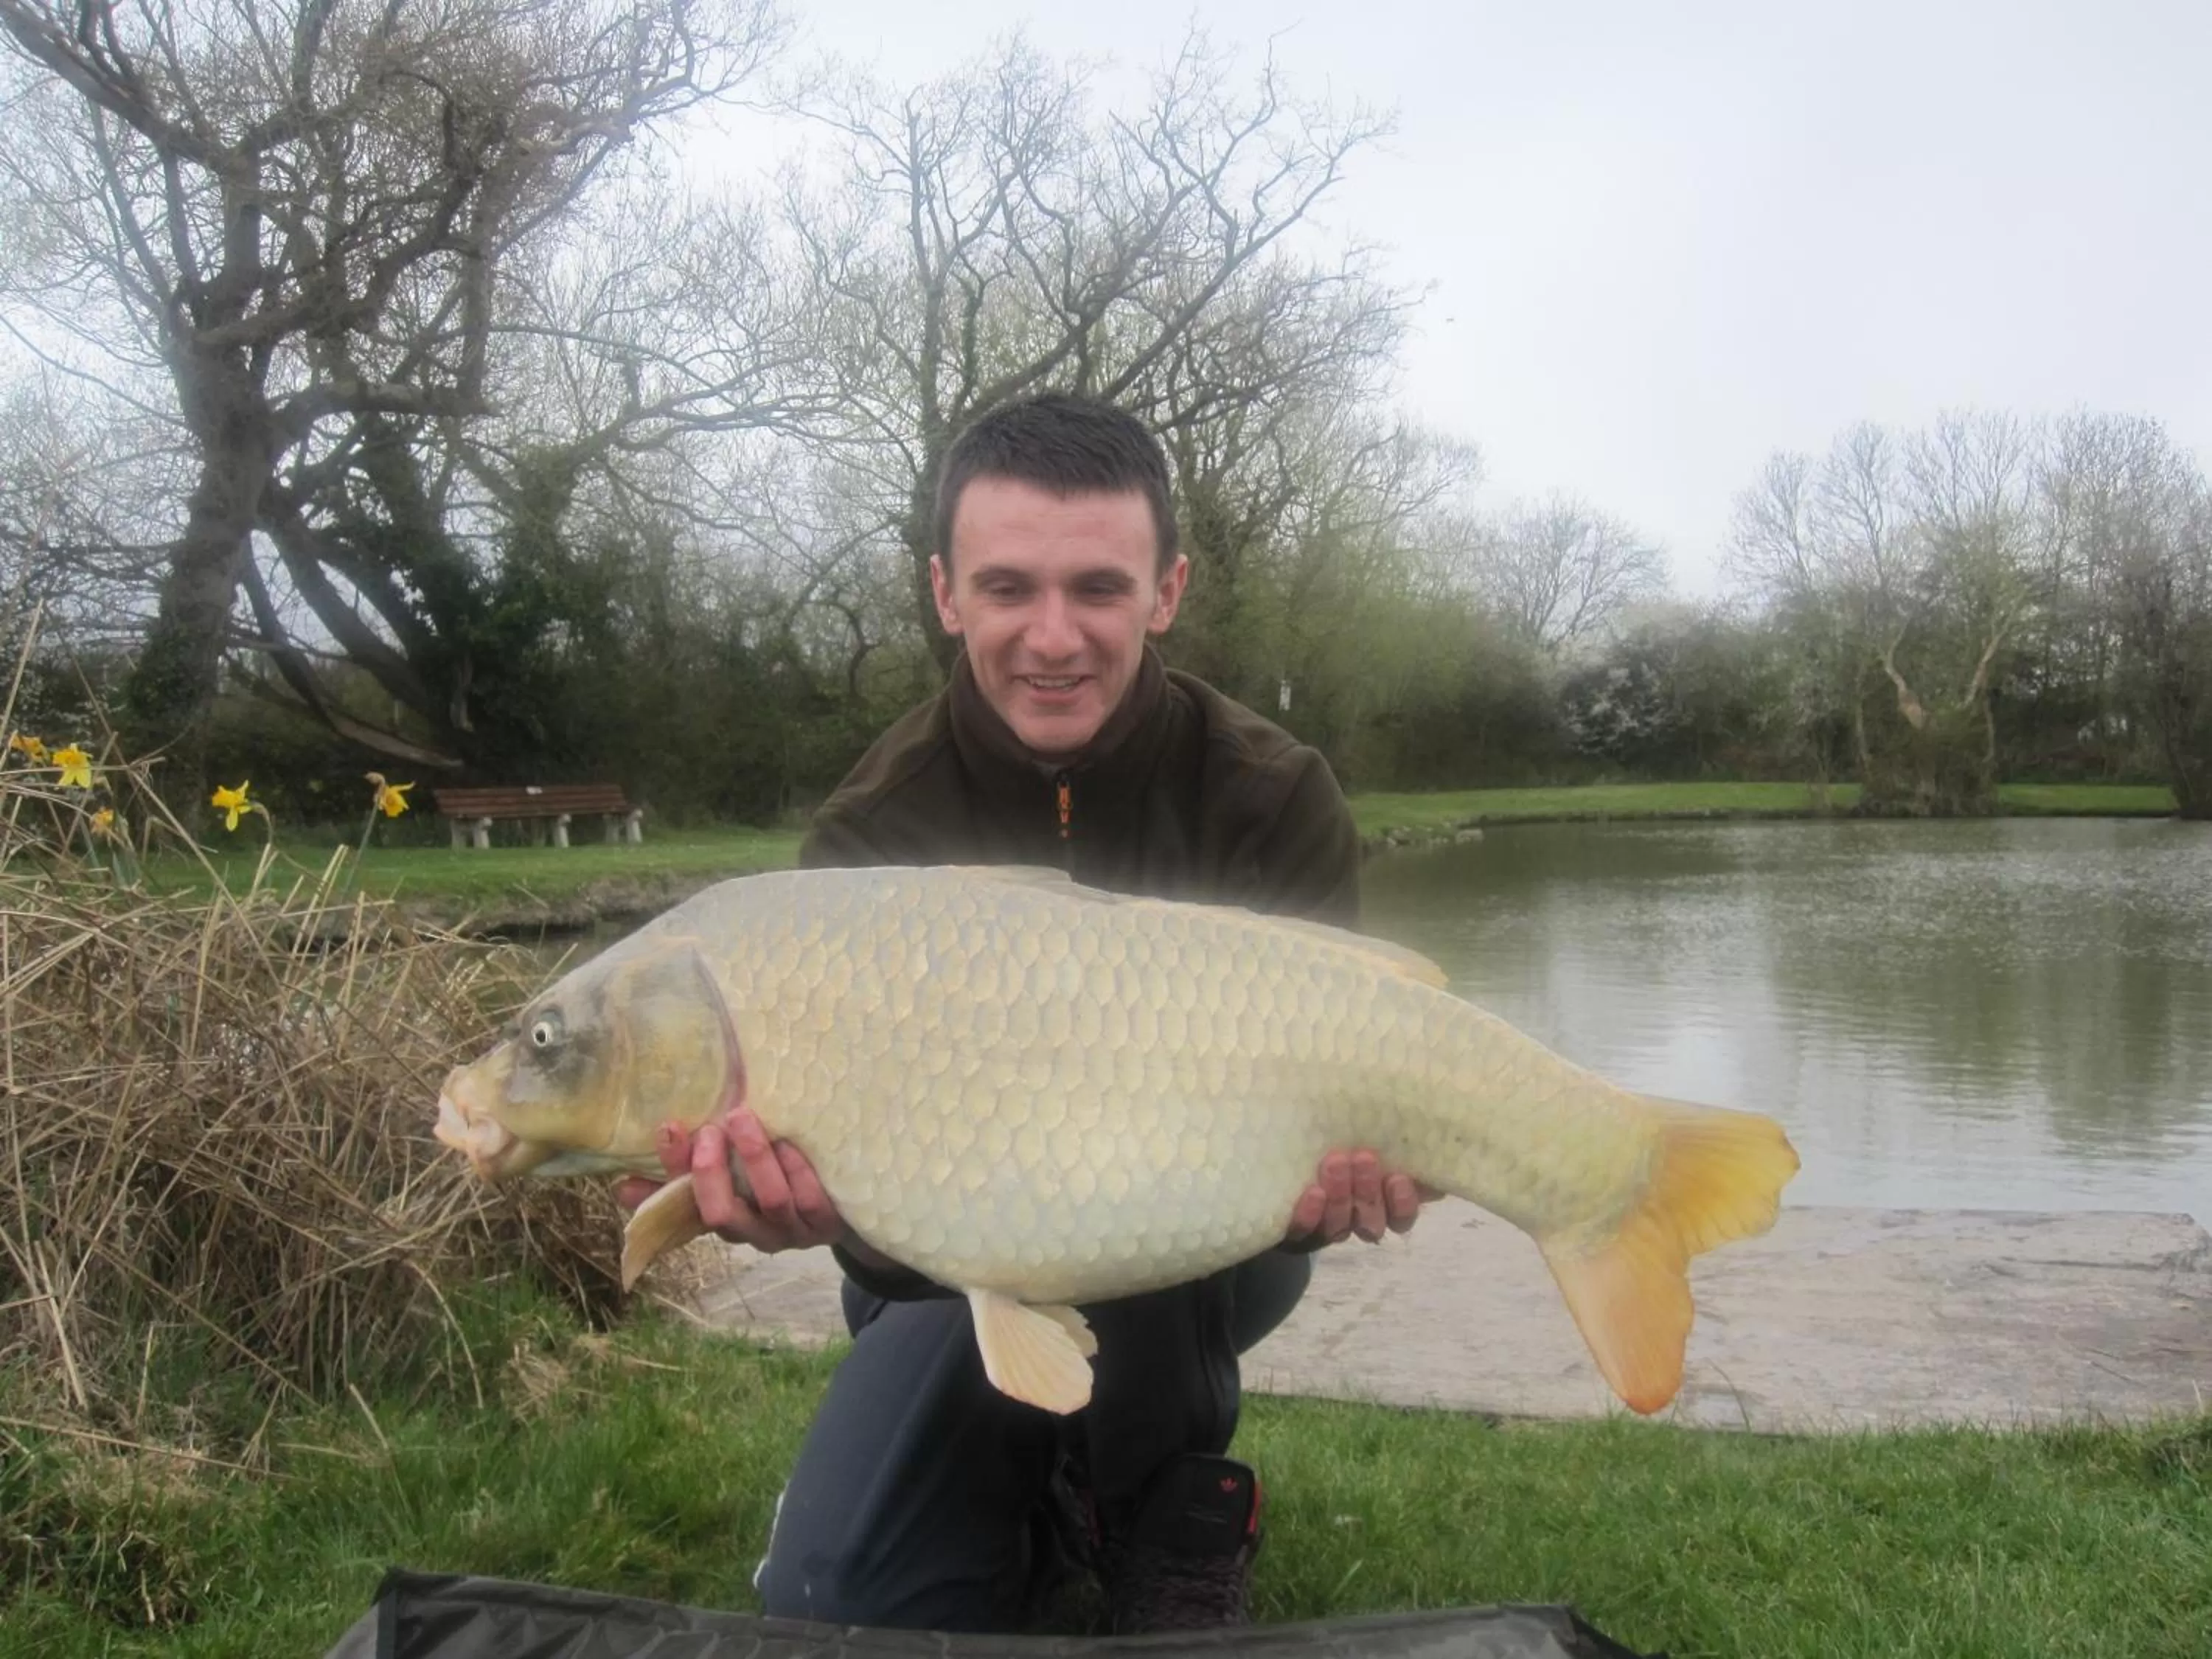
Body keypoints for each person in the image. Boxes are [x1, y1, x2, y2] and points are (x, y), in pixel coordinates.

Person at [617, 392, 1427, 1635]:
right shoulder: (870, 831)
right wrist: (817, 1212)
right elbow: (870, 1241)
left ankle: (1176, 1507)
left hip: (1210, 1247)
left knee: (1136, 1187)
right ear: (945, 592)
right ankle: (1030, 1487)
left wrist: (1347, 1192)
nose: (1054, 637)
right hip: (932, 1269)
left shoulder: (1269, 796)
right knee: (841, 1600)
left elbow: (1326, 1137)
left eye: (1099, 588)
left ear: (1167, 590)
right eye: (1008, 589)